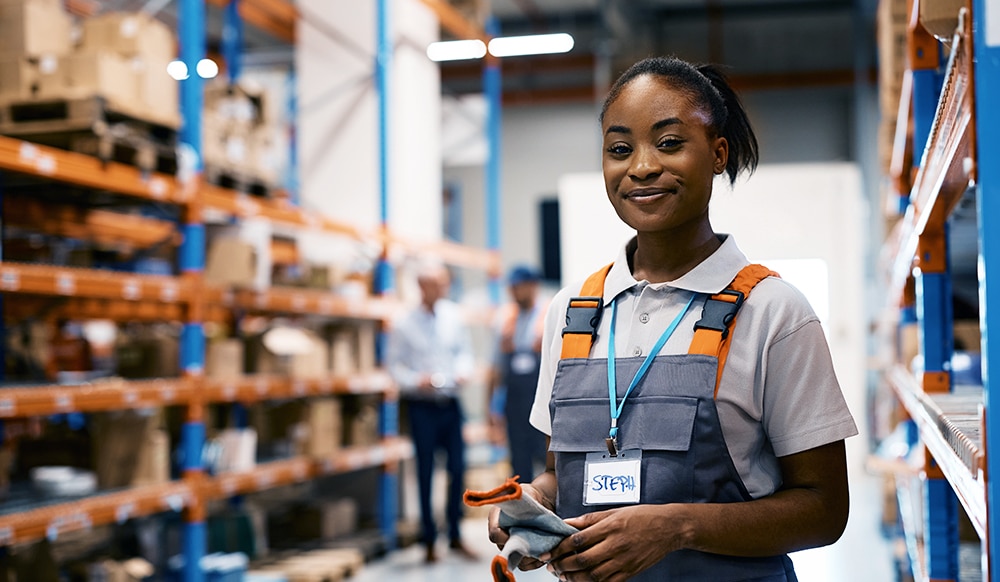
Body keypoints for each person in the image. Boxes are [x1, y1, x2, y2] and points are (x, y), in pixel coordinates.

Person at [487, 56, 858, 581]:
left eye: (668, 143)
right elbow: (558, 473)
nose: (640, 167)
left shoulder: (773, 312)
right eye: (620, 149)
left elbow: (824, 510)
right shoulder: (571, 313)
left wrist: (677, 527)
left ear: (717, 154)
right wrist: (534, 502)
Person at [387, 263, 479, 563]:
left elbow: (464, 352)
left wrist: (463, 372)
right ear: (421, 286)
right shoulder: (404, 323)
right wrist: (417, 380)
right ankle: (428, 539)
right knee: (425, 471)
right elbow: (394, 367)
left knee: (457, 468)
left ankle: (454, 534)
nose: (441, 289)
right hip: (422, 406)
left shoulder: (453, 317)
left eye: (443, 284)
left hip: (450, 404)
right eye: (434, 284)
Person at [490, 265, 548, 482]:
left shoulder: (550, 315)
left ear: (533, 286)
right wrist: (492, 408)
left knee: (546, 460)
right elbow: (496, 369)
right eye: (512, 288)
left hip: (541, 400)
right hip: (515, 405)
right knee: (519, 463)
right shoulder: (505, 319)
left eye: (519, 287)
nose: (514, 292)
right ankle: (522, 510)